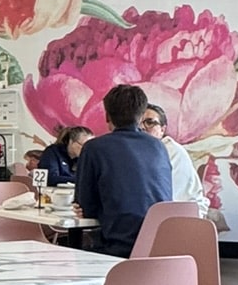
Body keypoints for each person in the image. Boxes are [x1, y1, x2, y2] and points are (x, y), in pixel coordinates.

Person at [73, 83, 173, 255]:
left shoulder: (94, 148)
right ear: (141, 116)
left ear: (107, 116)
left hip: (118, 248)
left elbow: (86, 208)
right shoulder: (159, 147)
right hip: (160, 245)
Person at [139, 100, 209, 211]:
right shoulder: (138, 151)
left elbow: (163, 198)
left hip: (180, 215)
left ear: (162, 130)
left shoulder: (171, 151)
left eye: (149, 123)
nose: (142, 128)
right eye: (138, 124)